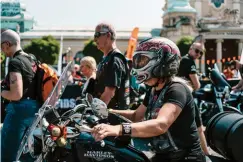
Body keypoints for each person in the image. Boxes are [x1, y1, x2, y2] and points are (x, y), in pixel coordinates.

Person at [91, 37, 206, 162]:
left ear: (162, 61)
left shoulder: (177, 89)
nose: (138, 65)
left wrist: (117, 129)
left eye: (143, 60)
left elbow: (161, 124)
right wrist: (108, 112)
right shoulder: (153, 89)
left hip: (186, 157)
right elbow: (136, 115)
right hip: (164, 156)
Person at [1, 29, 39, 161]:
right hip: (34, 110)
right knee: (26, 156)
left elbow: (16, 94)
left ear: (6, 44)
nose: (2, 50)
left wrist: (1, 91)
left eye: (1, 46)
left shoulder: (15, 62)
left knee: (8, 155)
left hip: (18, 112)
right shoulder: (31, 59)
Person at [178, 42, 210, 155]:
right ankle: (206, 154)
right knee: (199, 127)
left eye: (201, 52)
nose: (198, 54)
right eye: (197, 51)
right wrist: (196, 85)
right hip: (187, 97)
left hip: (177, 97)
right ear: (190, 49)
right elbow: (196, 85)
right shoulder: (189, 61)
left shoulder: (182, 59)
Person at [93, 22, 130, 110]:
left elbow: (109, 93)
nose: (95, 39)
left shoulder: (114, 59)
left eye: (97, 35)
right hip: (107, 113)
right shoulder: (107, 58)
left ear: (108, 35)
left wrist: (94, 112)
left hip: (112, 117)